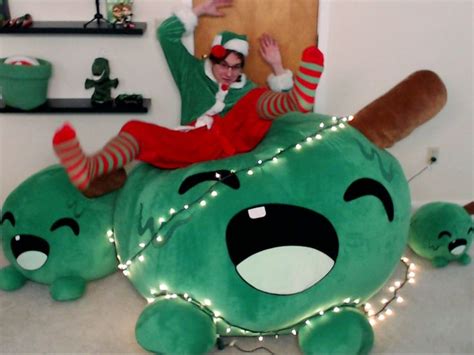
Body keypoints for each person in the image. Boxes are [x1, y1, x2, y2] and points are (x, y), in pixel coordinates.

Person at [52, 0, 324, 197]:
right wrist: (197, 11)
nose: (229, 73)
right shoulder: (192, 73)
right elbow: (165, 36)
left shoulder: (246, 88)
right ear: (212, 60)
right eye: (223, 66)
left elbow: (293, 117)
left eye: (236, 67)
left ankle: (294, 98)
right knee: (135, 129)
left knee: (255, 99)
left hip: (235, 139)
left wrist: (277, 67)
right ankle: (91, 166)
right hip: (195, 142)